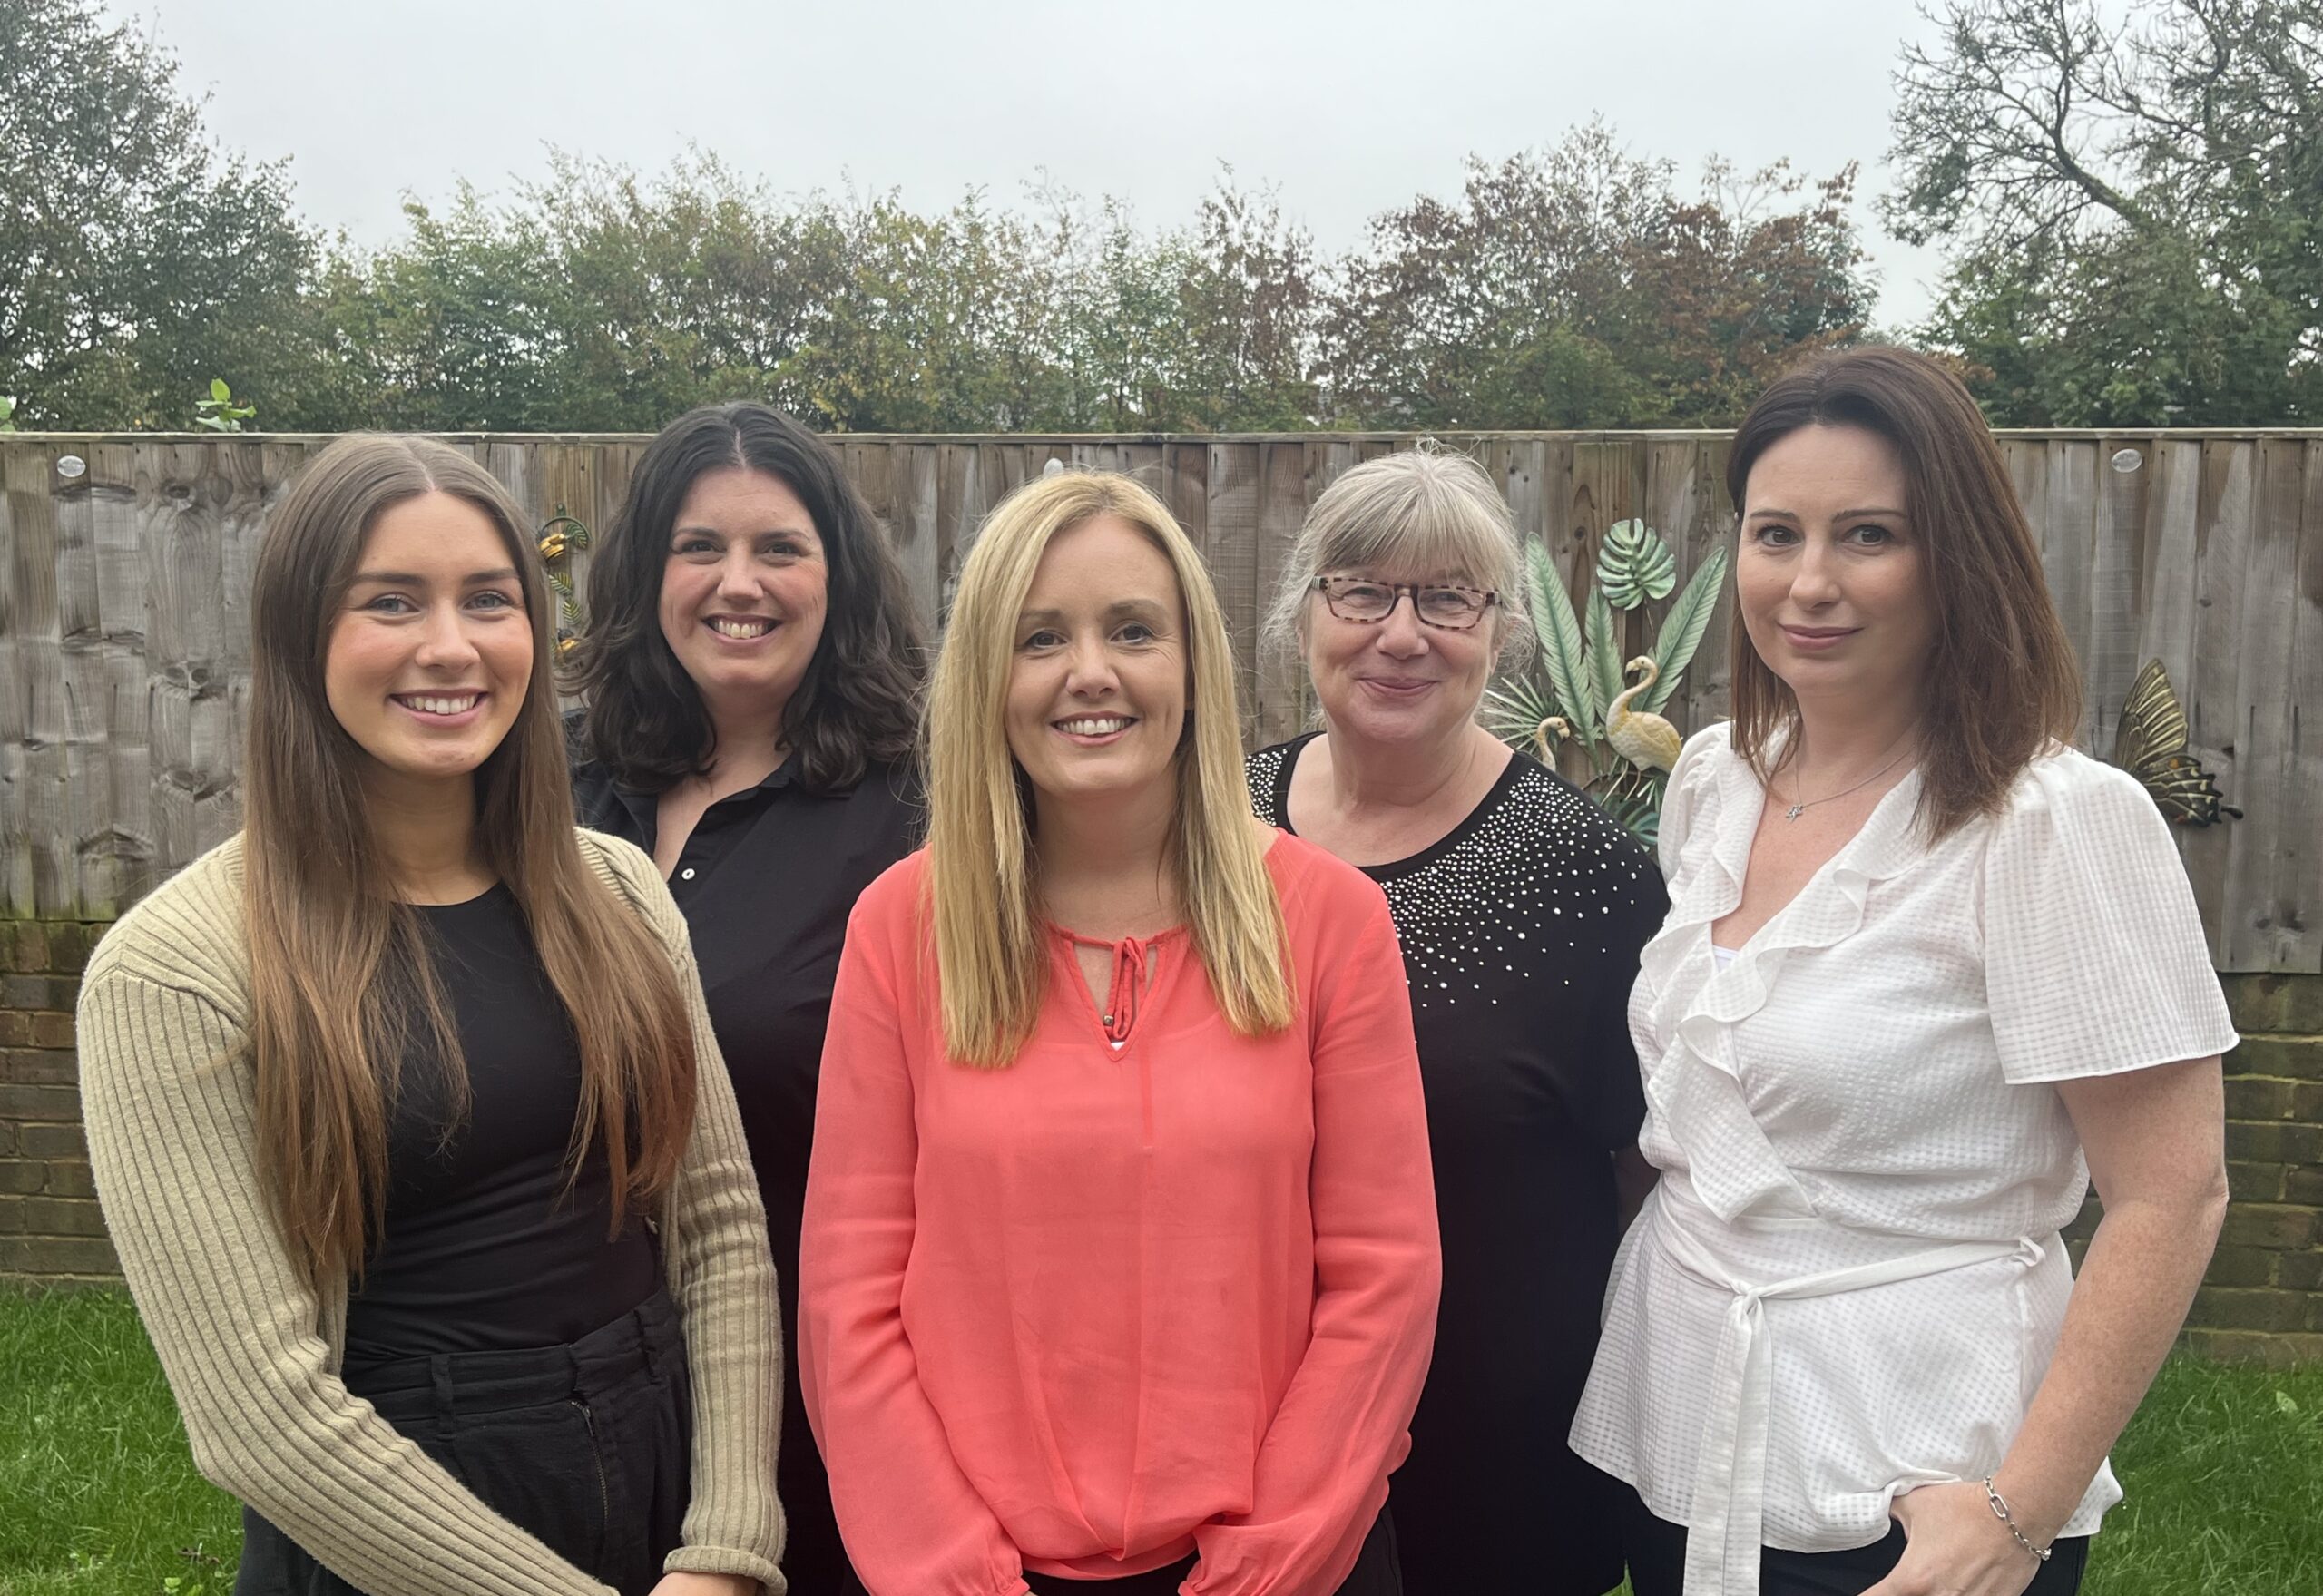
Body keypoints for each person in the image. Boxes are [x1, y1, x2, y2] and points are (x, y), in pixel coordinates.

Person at [1570, 348, 2236, 1596]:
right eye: (1776, 533)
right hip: (1685, 1420)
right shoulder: (1716, 778)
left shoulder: (2052, 821)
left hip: (1920, 1473)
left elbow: (2171, 1191)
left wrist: (2017, 1511)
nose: (1809, 582)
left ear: (1957, 557)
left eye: (1868, 534)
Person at [76, 435, 785, 1596]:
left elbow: (717, 1225)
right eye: (392, 601)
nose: (451, 645)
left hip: (665, 1495)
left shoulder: (617, 891)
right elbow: (262, 1418)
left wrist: (727, 1547)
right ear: (301, 636)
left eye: (489, 600)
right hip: (395, 1537)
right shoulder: (176, 972)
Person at [799, 470, 1442, 1596]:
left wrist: (1274, 1554)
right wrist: (950, 1571)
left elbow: (1383, 1276)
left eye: (1133, 630)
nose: (1089, 671)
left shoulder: (1329, 921)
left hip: (1277, 1566)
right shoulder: (900, 928)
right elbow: (846, 1296)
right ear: (987, 674)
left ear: (1192, 665)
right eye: (1040, 636)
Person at [1245, 447, 1667, 1596]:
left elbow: (1649, 1174)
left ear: (1499, 632)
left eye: (1446, 599)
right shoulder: (1213, 833)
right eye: (1362, 592)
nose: (1400, 635)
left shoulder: (1588, 879)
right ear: (1303, 613)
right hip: (1236, 1425)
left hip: (1492, 1459)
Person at [569, 401, 925, 1596]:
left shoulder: (918, 813)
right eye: (699, 547)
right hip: (560, 1398)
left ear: (837, 577)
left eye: (779, 547)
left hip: (818, 1404)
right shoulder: (543, 787)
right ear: (646, 575)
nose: (739, 582)